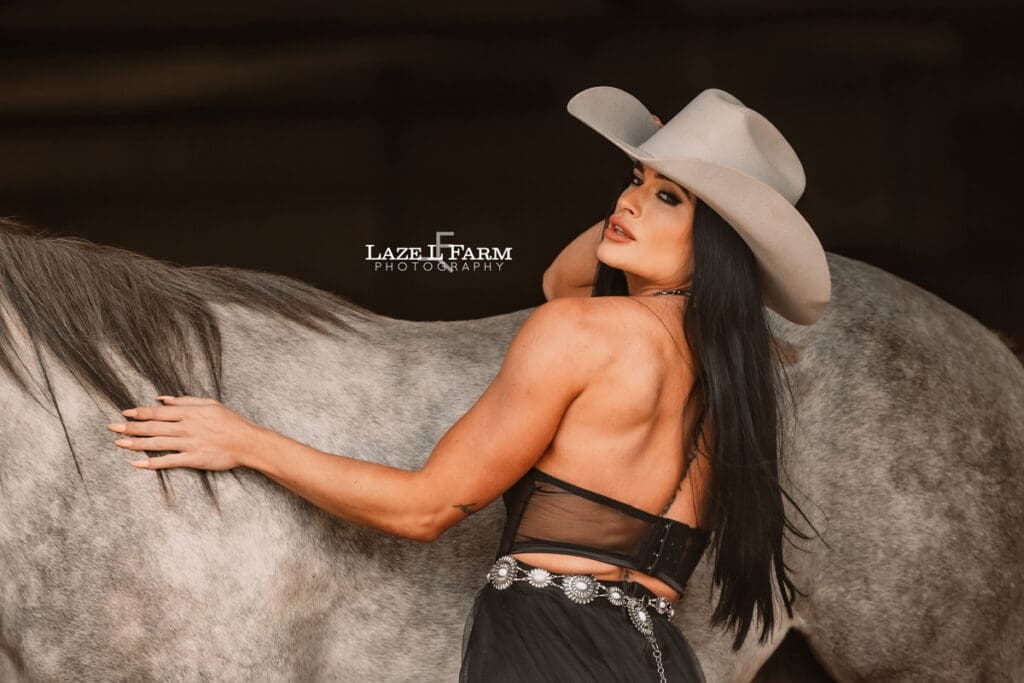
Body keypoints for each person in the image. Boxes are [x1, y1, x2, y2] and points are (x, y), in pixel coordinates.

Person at [105, 85, 831, 682]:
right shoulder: (732, 372)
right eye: (634, 180)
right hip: (660, 660)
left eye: (670, 198)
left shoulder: (580, 333)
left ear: (716, 245)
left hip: (547, 652)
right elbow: (560, 278)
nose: (630, 200)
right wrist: (666, 178)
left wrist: (246, 440)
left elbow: (425, 508)